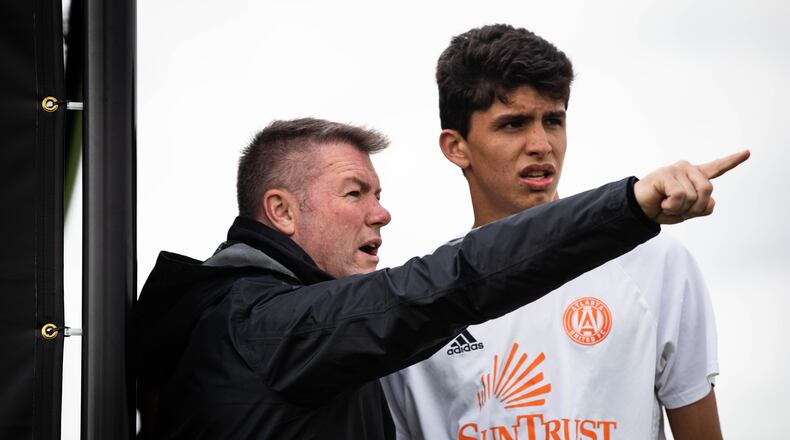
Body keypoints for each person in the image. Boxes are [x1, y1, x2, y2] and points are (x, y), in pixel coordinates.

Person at [136, 117, 745, 439]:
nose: (382, 212)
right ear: (282, 212)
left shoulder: (285, 331)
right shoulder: (259, 324)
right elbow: (443, 284)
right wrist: (628, 207)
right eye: (356, 193)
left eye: (380, 193)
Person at [380, 24, 738, 440]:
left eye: (553, 120)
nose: (541, 144)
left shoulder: (656, 263)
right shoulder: (417, 303)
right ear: (456, 147)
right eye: (513, 124)